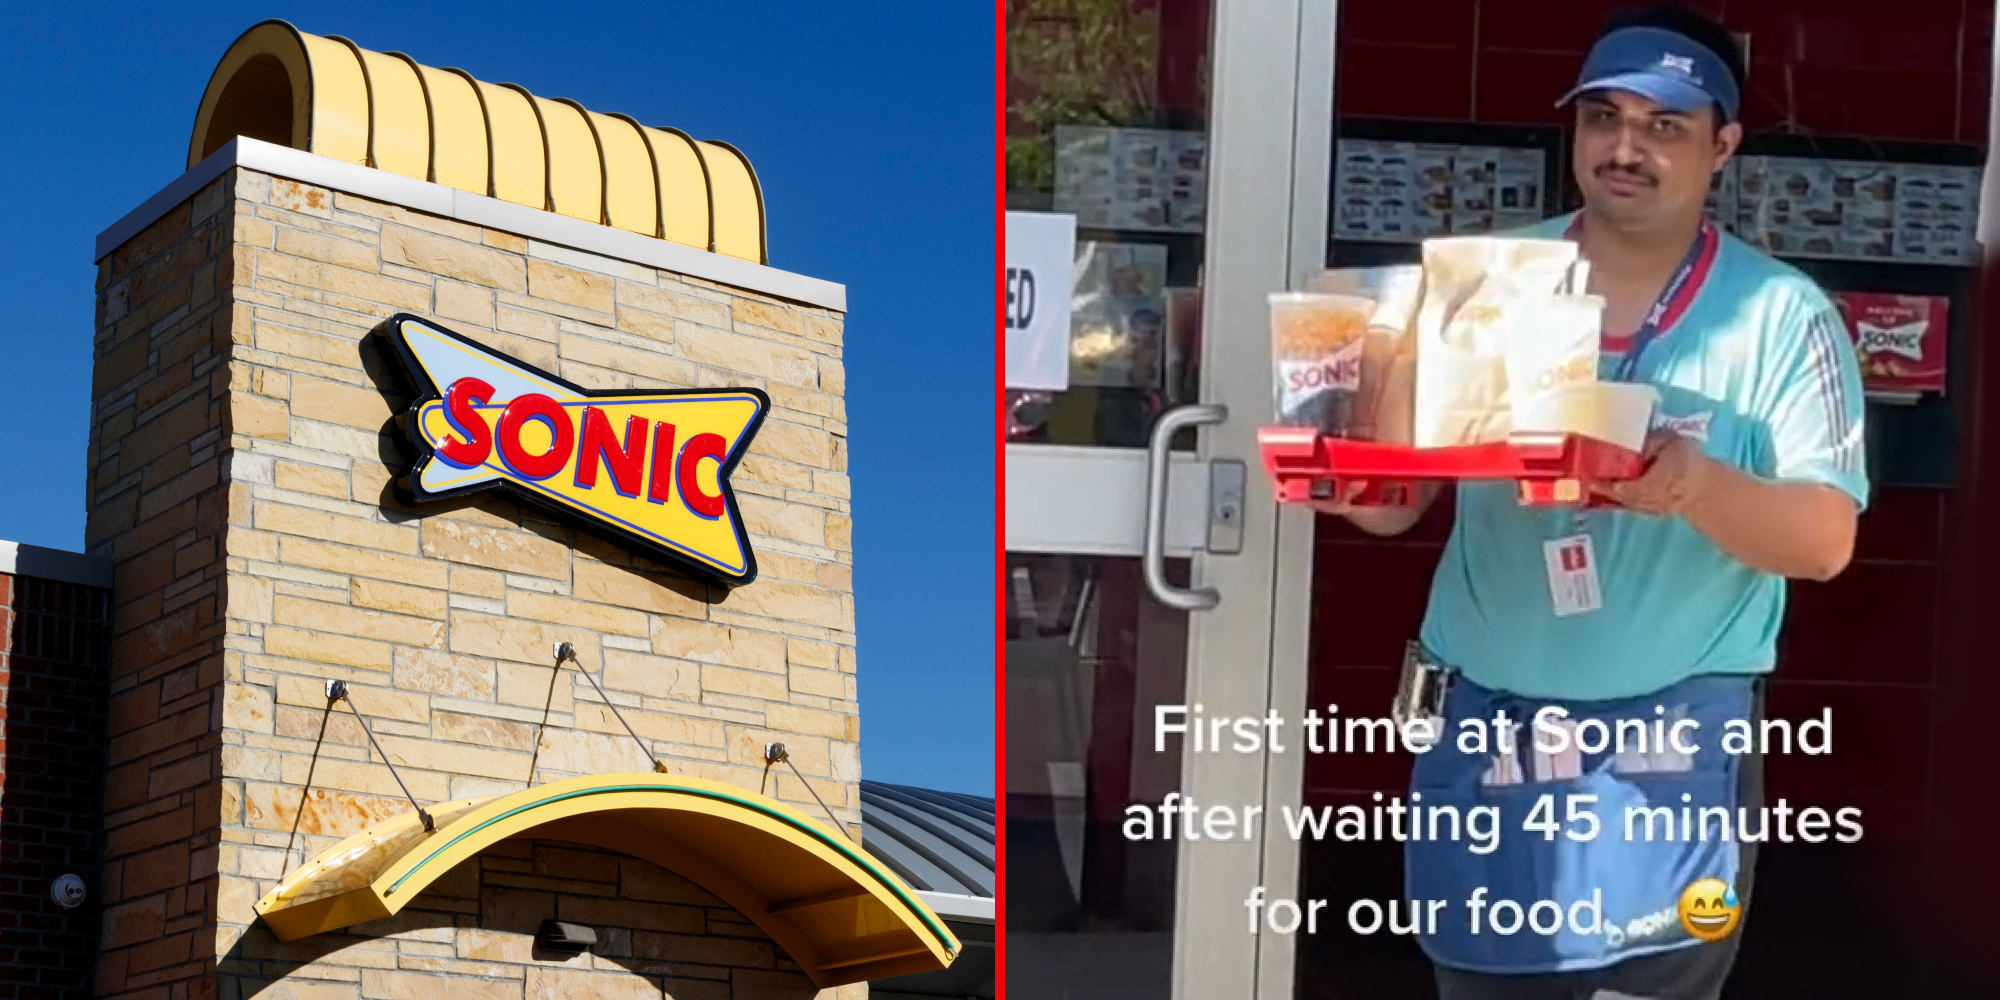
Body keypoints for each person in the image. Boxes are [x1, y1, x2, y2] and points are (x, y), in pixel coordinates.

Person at [1319, 4, 1868, 998]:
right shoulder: (1487, 282)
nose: (1624, 147)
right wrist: (1346, 431)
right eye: (1602, 117)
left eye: (1663, 126)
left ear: (1722, 147)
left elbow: (1823, 540)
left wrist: (1692, 484)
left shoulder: (1781, 316)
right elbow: (1389, 508)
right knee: (1481, 980)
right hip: (1488, 727)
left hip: (1668, 742)